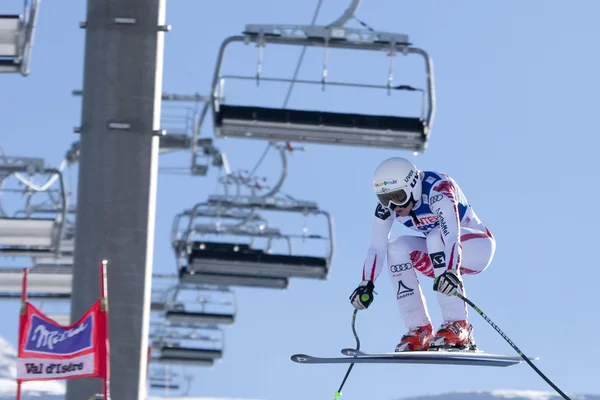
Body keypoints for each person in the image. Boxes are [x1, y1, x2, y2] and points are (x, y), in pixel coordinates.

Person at [349, 157, 495, 352]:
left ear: (412, 186)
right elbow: (376, 248)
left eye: (399, 196)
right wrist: (366, 284)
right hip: (440, 255)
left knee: (436, 237)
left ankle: (458, 325)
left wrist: (451, 270)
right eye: (386, 199)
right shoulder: (389, 209)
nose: (394, 206)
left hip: (476, 247)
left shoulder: (438, 190)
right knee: (396, 248)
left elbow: (451, 236)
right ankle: (419, 329)